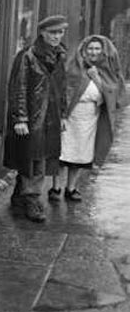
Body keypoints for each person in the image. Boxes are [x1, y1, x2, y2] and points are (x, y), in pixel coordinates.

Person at [4, 15, 69, 223]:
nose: (57, 36)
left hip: (50, 116)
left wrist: (63, 114)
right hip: (33, 117)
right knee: (34, 159)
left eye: (60, 32)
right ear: (42, 33)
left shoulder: (59, 56)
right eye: (53, 32)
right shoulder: (28, 56)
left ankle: (19, 195)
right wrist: (20, 118)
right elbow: (19, 87)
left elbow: (61, 88)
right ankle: (32, 199)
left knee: (40, 157)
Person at [49, 35, 126, 202]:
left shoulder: (108, 71)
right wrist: (62, 115)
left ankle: (71, 188)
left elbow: (114, 98)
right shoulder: (74, 67)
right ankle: (56, 187)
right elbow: (63, 91)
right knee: (62, 153)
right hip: (70, 116)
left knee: (80, 154)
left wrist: (97, 78)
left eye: (97, 49)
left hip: (90, 118)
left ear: (103, 51)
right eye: (90, 48)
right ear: (84, 50)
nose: (93, 52)